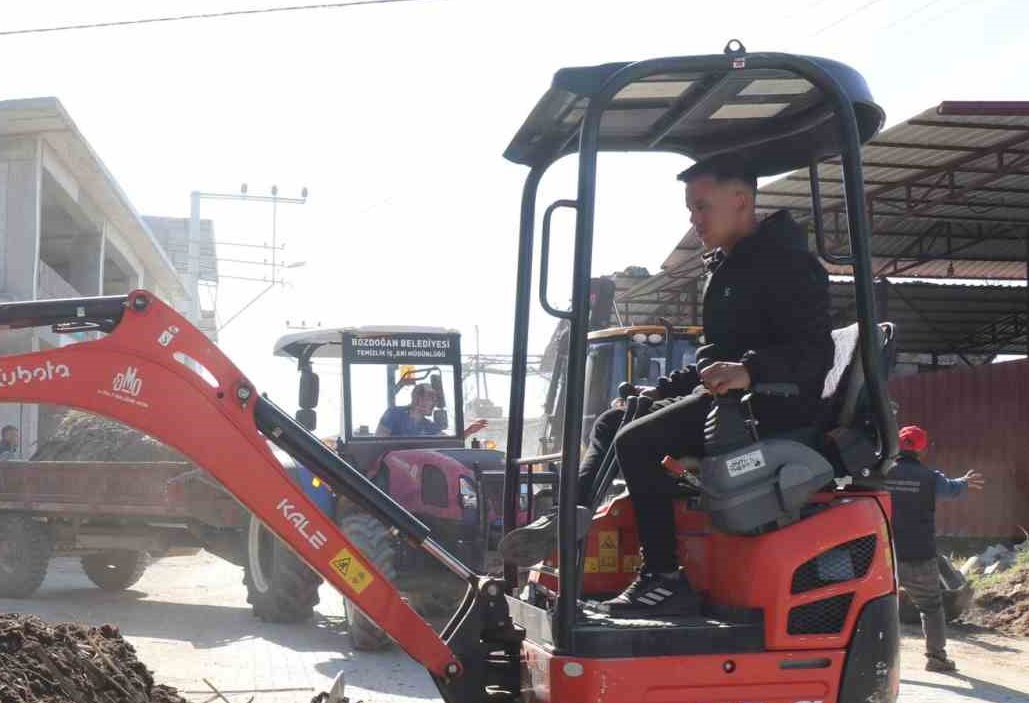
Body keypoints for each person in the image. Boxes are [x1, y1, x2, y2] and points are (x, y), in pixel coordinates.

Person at [500, 152, 833, 616]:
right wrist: (662, 389)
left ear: (740, 199)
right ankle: (564, 517)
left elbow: (814, 353)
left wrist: (750, 371)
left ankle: (664, 577)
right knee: (616, 420)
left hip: (774, 406)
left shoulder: (789, 264)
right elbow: (714, 357)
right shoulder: (730, 266)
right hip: (734, 398)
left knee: (638, 442)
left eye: (702, 207)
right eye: (690, 210)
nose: (694, 220)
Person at [885, 425, 985, 673]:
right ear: (922, 449)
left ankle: (878, 662)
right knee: (930, 607)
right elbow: (952, 488)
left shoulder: (880, 473)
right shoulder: (930, 477)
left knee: (878, 608)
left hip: (884, 555)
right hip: (920, 554)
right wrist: (964, 481)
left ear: (896, 445)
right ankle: (937, 659)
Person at [377, 384, 442, 437]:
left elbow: (446, 441)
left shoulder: (430, 426)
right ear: (418, 399)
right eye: (431, 399)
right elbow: (380, 440)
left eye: (435, 400)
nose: (434, 404)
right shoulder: (393, 414)